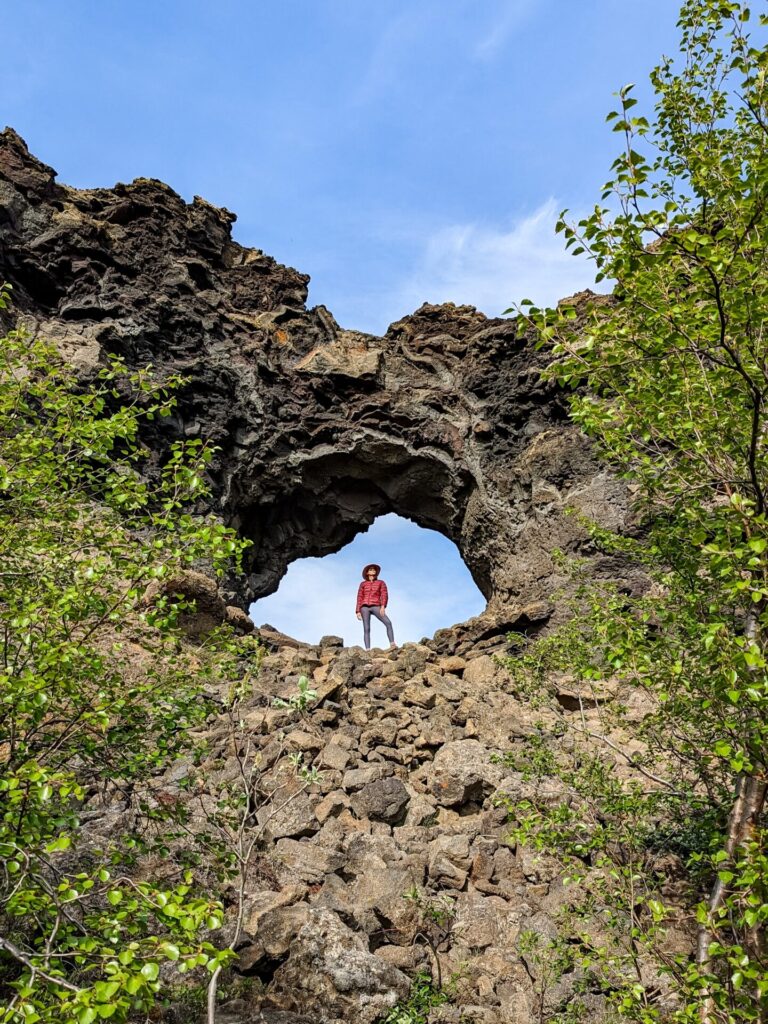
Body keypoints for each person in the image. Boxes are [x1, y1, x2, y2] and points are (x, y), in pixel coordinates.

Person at [356, 563, 396, 650]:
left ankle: (392, 644)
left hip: (376, 606)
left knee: (388, 623)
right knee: (366, 628)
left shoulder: (381, 582)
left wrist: (382, 606)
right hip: (364, 607)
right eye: (370, 569)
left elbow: (384, 594)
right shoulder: (363, 584)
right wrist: (358, 611)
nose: (373, 570)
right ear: (367, 573)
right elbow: (359, 597)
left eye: (374, 569)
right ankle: (368, 650)